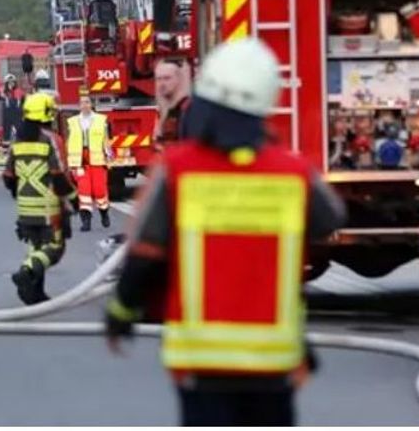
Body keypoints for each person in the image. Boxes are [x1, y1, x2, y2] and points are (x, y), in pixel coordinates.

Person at [103, 38, 345, 426]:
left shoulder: (177, 170)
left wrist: (120, 313)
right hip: (274, 362)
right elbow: (330, 219)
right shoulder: (293, 173)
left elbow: (145, 253)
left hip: (201, 363)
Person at [3, 93, 78, 305]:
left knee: (36, 247)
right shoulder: (51, 139)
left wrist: (21, 193)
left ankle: (35, 293)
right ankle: (26, 272)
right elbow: (59, 175)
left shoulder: (17, 140)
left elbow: (8, 177)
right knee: (54, 247)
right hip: (48, 207)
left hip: (25, 207)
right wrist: (74, 199)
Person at [65, 88, 113, 231]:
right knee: (84, 191)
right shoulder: (72, 122)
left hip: (97, 160)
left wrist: (109, 158)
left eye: (87, 102)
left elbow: (106, 141)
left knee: (99, 190)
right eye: (82, 102)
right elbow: (69, 142)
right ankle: (86, 221)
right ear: (79, 105)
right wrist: (69, 163)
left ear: (91, 104)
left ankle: (104, 213)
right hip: (80, 161)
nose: (84, 105)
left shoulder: (101, 120)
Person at [152, 58, 192, 150]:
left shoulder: (188, 109)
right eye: (159, 79)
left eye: (167, 78)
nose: (162, 84)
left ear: (179, 79)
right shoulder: (169, 110)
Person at [0, 74, 24, 145]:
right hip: (7, 115)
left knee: (20, 130)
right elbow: (0, 97)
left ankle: (21, 143)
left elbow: (21, 100)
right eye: (9, 82)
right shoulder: (3, 92)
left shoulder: (19, 91)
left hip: (17, 114)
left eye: (12, 82)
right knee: (6, 131)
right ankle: (6, 145)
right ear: (6, 84)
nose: (11, 84)